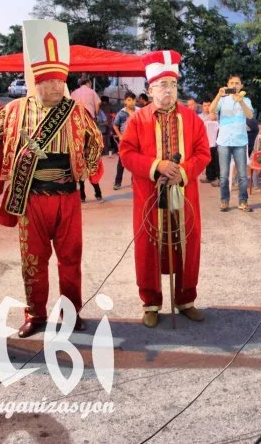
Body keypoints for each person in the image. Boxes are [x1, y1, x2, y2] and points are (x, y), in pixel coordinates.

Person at [0, 19, 103, 338]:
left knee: (70, 259)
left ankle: (71, 312)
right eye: (48, 81)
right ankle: (36, 314)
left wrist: (86, 165)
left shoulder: (75, 111)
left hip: (67, 197)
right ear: (34, 81)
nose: (54, 87)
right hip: (31, 199)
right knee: (32, 260)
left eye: (59, 81)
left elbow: (96, 141)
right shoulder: (13, 111)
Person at [119, 50, 211, 328]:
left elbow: (203, 153)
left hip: (184, 195)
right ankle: (150, 303)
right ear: (150, 89)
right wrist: (157, 166)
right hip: (149, 195)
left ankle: (186, 299)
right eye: (162, 85)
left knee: (186, 244)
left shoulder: (192, 118)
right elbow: (126, 154)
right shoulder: (137, 119)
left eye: (172, 84)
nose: (168, 90)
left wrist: (182, 171)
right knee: (148, 246)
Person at [212, 74, 254, 212]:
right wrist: (219, 95)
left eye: (237, 83)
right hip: (224, 140)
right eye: (231, 83)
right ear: (227, 85)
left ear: (241, 86)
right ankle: (224, 201)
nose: (234, 85)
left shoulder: (246, 100)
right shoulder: (223, 100)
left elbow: (250, 116)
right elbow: (211, 110)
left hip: (240, 140)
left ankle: (243, 201)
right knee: (223, 175)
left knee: (242, 174)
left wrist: (240, 100)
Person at [72, 77, 104, 202]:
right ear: (88, 83)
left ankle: (82, 196)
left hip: (76, 126)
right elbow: (97, 104)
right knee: (94, 154)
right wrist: (94, 116)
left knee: (79, 159)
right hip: (89, 124)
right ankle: (98, 194)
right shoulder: (91, 92)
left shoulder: (74, 93)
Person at [112, 91, 136, 190]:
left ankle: (134, 182)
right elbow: (115, 125)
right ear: (125, 101)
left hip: (135, 140)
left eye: (133, 100)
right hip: (125, 140)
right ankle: (118, 182)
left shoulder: (138, 112)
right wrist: (120, 135)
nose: (132, 102)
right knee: (121, 162)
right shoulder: (121, 113)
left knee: (135, 162)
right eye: (129, 100)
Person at [199, 101, 220, 186]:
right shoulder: (200, 116)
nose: (207, 107)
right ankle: (210, 177)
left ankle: (218, 178)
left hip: (216, 142)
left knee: (216, 158)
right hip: (206, 141)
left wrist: (213, 117)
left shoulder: (216, 115)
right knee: (208, 158)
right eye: (205, 106)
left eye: (209, 105)